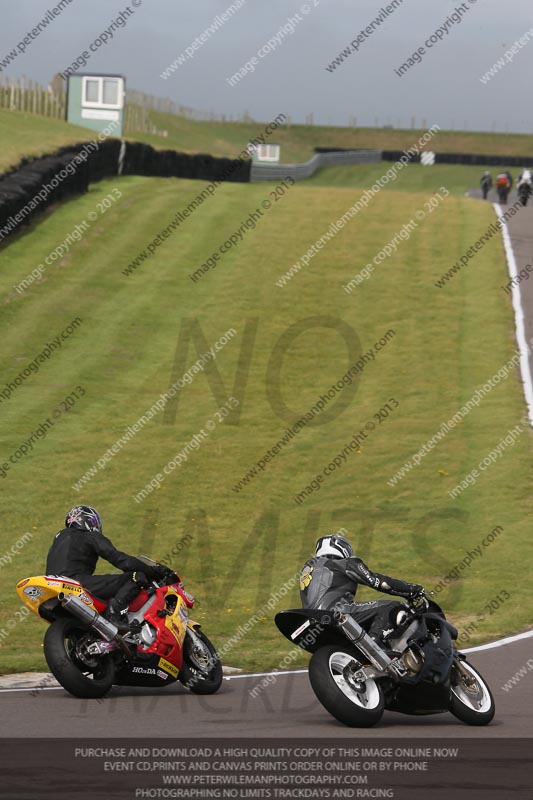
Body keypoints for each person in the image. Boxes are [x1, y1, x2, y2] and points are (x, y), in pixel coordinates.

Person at [46, 505, 169, 630]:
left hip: (54, 585)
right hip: (76, 582)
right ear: (88, 521)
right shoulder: (89, 535)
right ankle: (114, 614)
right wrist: (153, 571)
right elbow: (121, 560)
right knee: (136, 576)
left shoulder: (58, 540)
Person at [300, 534, 425, 643]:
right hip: (335, 613)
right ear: (341, 547)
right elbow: (379, 582)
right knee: (392, 606)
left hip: (312, 619)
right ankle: (377, 645)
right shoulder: (344, 563)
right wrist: (411, 590)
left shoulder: (308, 569)